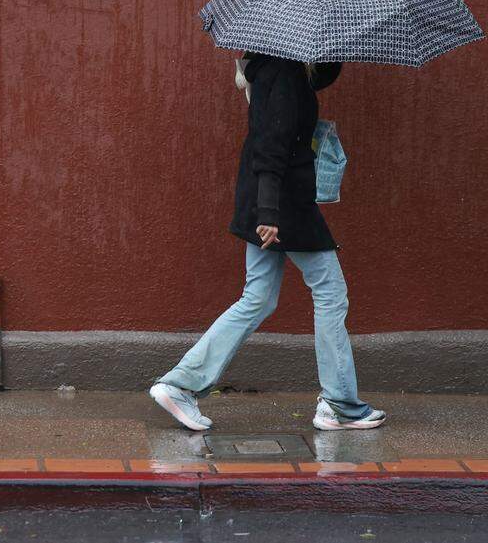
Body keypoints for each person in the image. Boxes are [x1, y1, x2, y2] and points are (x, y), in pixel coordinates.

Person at [148, 51, 387, 431]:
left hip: (268, 200)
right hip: (282, 205)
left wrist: (333, 56)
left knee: (258, 297)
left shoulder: (278, 69)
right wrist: (270, 214)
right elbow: (271, 143)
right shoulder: (283, 73)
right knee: (330, 292)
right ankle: (340, 403)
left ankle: (180, 385)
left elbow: (314, 84)